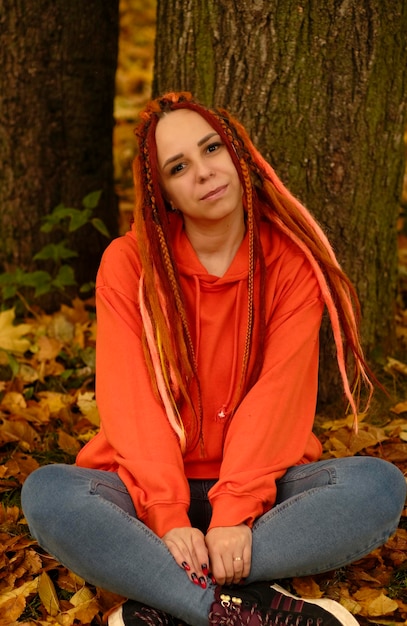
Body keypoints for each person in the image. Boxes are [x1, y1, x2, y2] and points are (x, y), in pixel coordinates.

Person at [22, 92, 406, 626]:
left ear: (238, 154)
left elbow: (277, 399)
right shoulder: (129, 264)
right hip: (139, 492)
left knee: (378, 487)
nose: (204, 173)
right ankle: (236, 611)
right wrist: (166, 514)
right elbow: (131, 401)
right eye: (180, 167)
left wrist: (232, 516)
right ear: (166, 194)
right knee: (48, 495)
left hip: (265, 495)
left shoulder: (291, 263)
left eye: (212, 149)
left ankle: (164, 596)